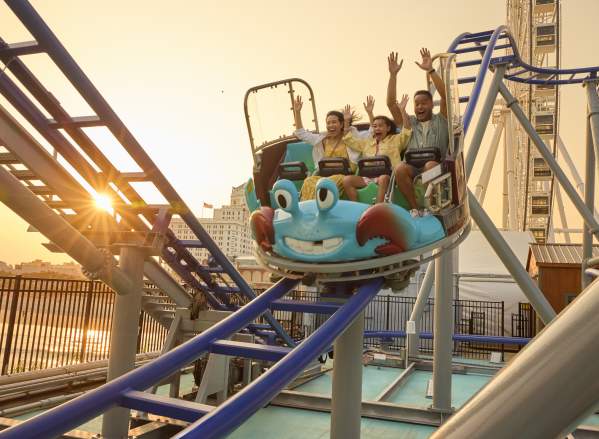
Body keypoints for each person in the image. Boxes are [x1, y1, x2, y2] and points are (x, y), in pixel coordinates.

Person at [387, 48, 450, 217]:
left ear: (431, 105)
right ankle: (415, 208)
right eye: (417, 104)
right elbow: (391, 104)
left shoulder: (440, 120)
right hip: (413, 167)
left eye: (424, 103)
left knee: (430, 165)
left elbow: (446, 96)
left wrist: (430, 70)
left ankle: (431, 206)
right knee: (400, 168)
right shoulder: (410, 123)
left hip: (435, 167)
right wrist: (393, 76)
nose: (420, 107)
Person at [292, 96, 367, 201]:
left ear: (341, 124)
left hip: (343, 175)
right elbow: (301, 134)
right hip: (324, 175)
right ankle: (308, 209)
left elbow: (366, 139)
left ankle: (320, 207)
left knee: (327, 183)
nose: (331, 125)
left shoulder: (350, 137)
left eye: (334, 122)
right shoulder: (322, 139)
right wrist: (297, 112)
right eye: (328, 123)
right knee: (308, 181)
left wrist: (346, 123)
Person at [342, 94, 412, 204]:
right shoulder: (367, 143)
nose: (377, 128)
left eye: (380, 126)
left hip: (387, 177)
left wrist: (402, 111)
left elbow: (407, 131)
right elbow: (348, 139)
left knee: (383, 178)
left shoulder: (395, 140)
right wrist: (346, 122)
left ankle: (378, 207)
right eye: (374, 126)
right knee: (347, 180)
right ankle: (357, 207)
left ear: (388, 128)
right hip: (368, 177)